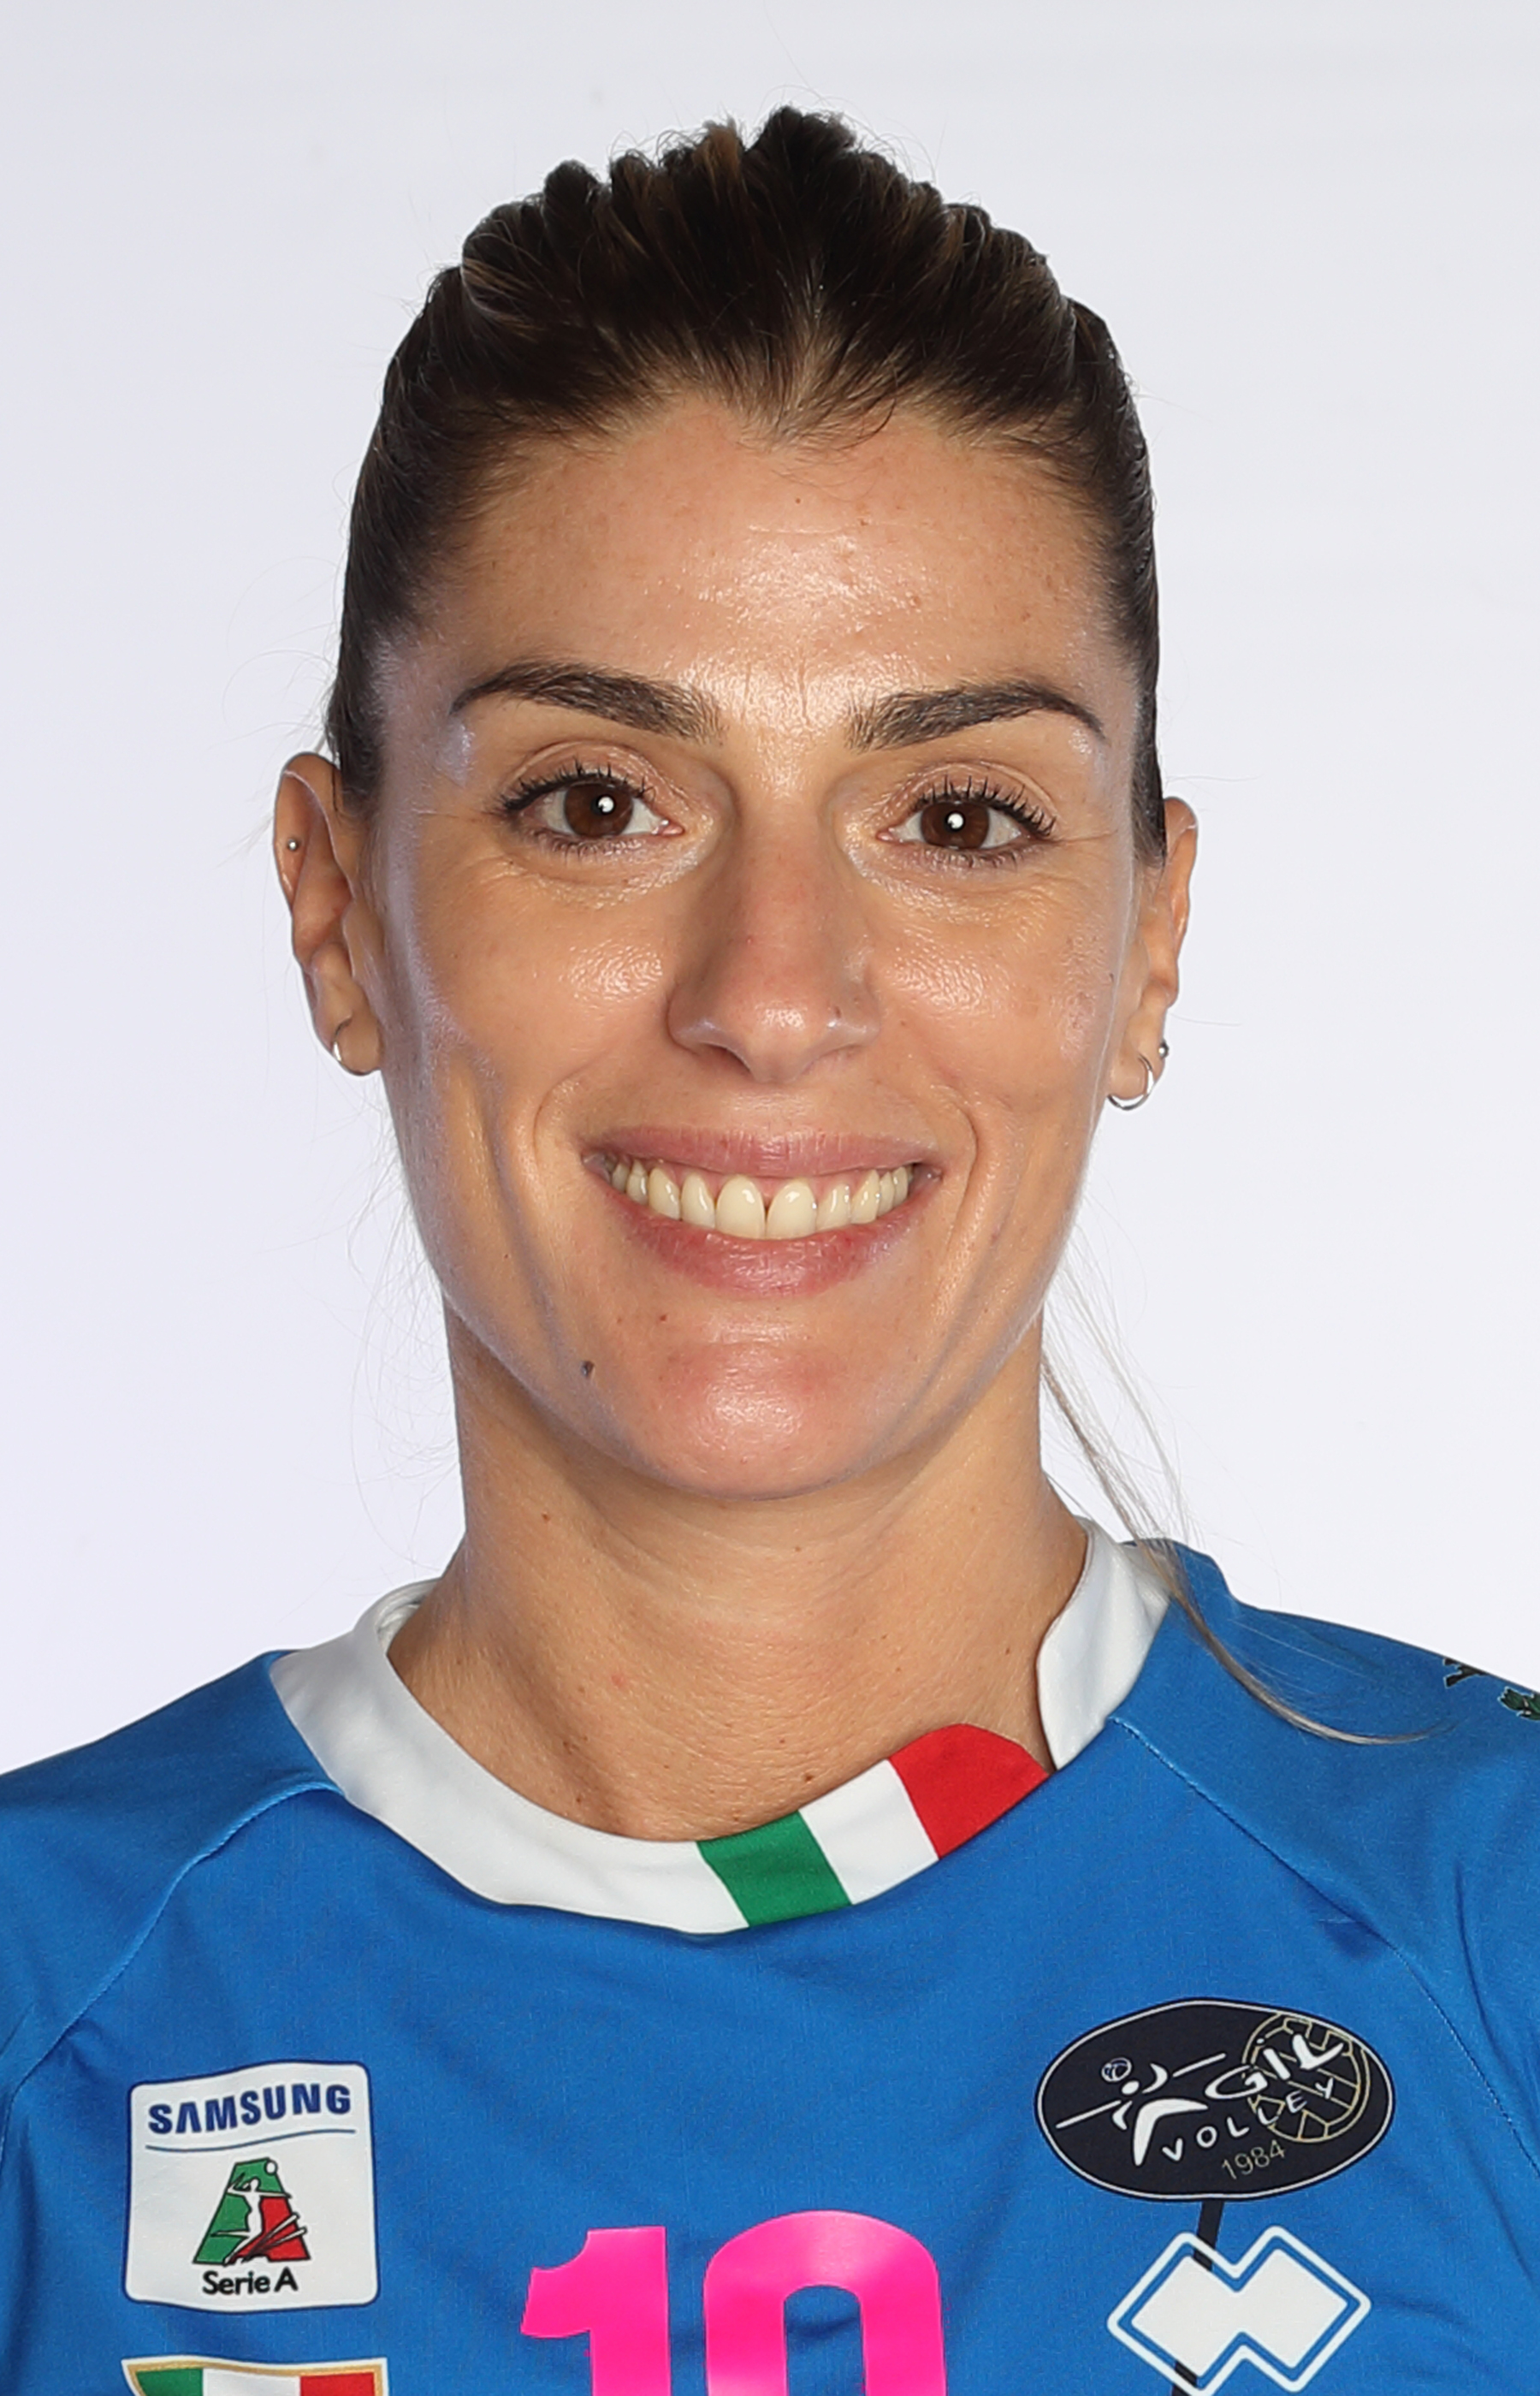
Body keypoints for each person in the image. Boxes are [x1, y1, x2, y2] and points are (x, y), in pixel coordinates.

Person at [1, 107, 1536, 2396]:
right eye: (596, 803)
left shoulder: (1492, 1925)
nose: (775, 993)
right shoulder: (47, 2010)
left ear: (1147, 942)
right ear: (339, 911)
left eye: (958, 817)